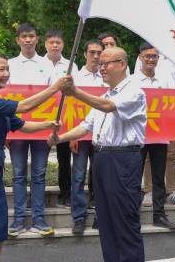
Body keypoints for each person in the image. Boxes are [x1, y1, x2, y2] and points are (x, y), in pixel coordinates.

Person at [0, 52, 71, 262]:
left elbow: (22, 125)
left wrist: (48, 124)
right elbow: (24, 107)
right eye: (1, 69)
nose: (6, 74)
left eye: (7, 69)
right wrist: (55, 87)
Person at [49, 47, 147, 262]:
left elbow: (108, 107)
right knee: (106, 219)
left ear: (122, 64)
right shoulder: (105, 94)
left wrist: (75, 92)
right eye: (100, 64)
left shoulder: (134, 91)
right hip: (102, 159)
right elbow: (86, 126)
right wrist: (60, 138)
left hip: (122, 160)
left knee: (124, 219)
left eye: (107, 63)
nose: (101, 68)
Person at [6, 23, 54, 236]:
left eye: (31, 36)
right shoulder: (8, 64)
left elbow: (56, 95)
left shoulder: (47, 64)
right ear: (17, 40)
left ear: (37, 38)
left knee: (39, 174)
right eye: (24, 36)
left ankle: (39, 219)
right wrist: (5, 130)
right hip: (16, 129)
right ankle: (17, 221)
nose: (27, 40)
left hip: (41, 128)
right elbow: (3, 95)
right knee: (17, 175)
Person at [134, 42, 175, 229]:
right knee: (134, 177)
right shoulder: (132, 81)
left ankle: (159, 214)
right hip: (138, 136)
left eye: (154, 56)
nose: (151, 59)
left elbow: (174, 104)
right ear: (140, 58)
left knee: (159, 177)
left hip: (160, 136)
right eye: (147, 56)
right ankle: (132, 214)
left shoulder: (165, 80)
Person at [69, 39, 105, 234]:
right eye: (92, 52)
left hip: (102, 134)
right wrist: (72, 136)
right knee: (79, 176)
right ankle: (79, 218)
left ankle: (101, 215)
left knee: (100, 177)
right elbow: (69, 107)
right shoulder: (75, 77)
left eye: (99, 52)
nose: (96, 56)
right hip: (81, 134)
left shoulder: (107, 76)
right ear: (85, 54)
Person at [43, 29, 78, 208]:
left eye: (58, 42)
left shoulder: (72, 65)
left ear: (63, 44)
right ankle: (36, 196)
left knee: (64, 160)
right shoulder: (38, 63)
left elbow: (75, 93)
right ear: (45, 44)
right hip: (41, 118)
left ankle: (66, 195)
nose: (55, 45)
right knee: (39, 160)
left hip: (64, 118)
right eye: (51, 42)